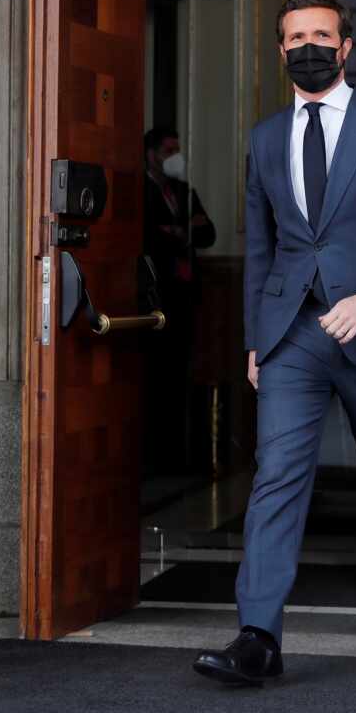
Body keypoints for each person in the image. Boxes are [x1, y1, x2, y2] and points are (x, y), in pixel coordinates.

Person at [192, 0, 356, 685]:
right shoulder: (265, 137)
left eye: (320, 36)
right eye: (295, 37)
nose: (308, 47)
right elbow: (262, 246)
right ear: (280, 51)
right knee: (276, 476)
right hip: (293, 335)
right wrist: (256, 337)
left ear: (344, 48)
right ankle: (258, 635)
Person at [141, 127, 216, 473]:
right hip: (156, 295)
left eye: (178, 149)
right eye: (168, 150)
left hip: (185, 296)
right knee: (154, 375)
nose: (175, 156)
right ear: (151, 153)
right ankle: (152, 455)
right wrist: (180, 231)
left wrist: (179, 231)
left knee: (179, 373)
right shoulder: (141, 190)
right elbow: (148, 236)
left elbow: (207, 233)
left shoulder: (184, 191)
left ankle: (175, 455)